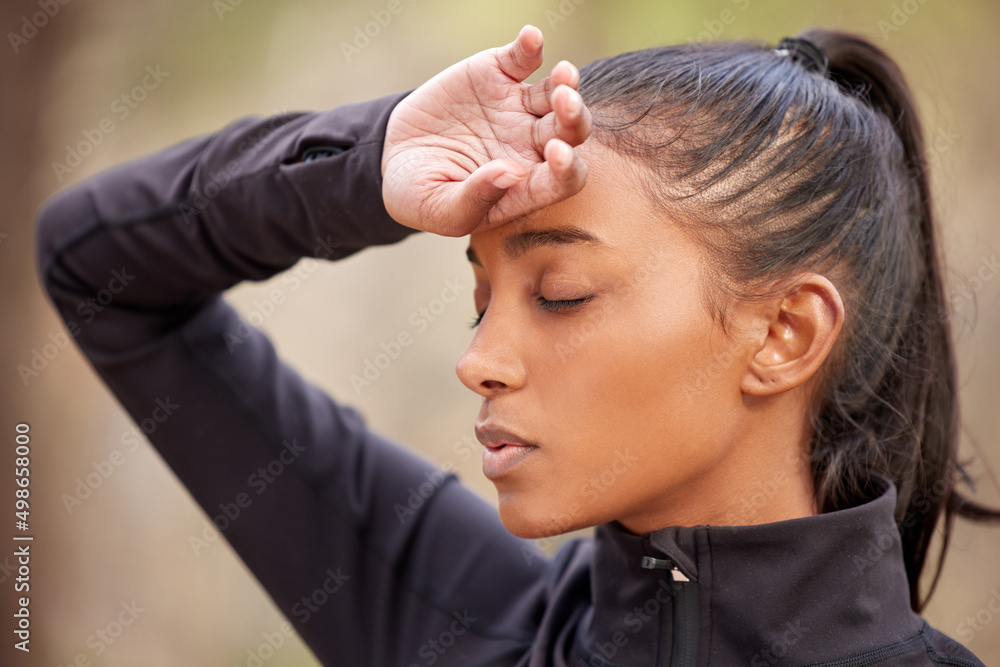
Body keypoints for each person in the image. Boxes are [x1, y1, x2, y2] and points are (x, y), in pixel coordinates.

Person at [35, 23, 996, 666]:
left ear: (784, 333)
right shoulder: (461, 624)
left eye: (562, 295)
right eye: (480, 300)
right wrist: (369, 165)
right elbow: (99, 266)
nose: (479, 360)